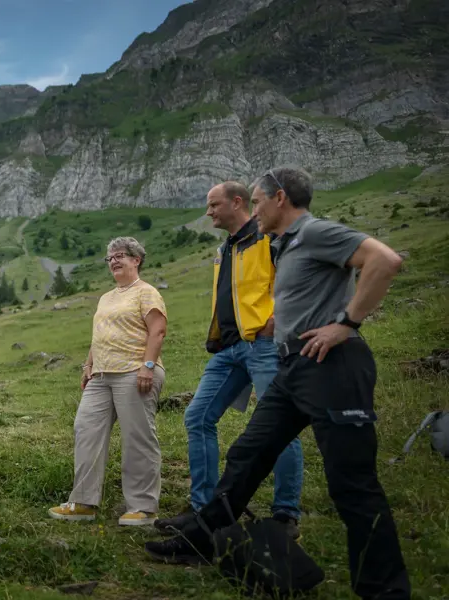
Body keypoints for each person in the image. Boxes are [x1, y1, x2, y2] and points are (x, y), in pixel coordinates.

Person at [145, 167, 410, 599]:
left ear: (279, 198)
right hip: (293, 368)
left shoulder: (315, 232)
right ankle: (201, 538)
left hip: (333, 365)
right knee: (249, 451)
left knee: (352, 484)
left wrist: (345, 324)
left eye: (258, 199)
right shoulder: (281, 245)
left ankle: (384, 590)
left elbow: (385, 260)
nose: (255, 208)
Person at [154, 182, 303, 539]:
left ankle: (285, 514)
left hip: (263, 345)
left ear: (237, 203)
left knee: (279, 425)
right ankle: (204, 508)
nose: (209, 213)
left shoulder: (267, 238)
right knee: (198, 416)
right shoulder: (226, 248)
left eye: (213, 205)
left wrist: (276, 321)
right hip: (229, 350)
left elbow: (293, 282)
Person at [48, 237, 168, 526]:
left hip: (134, 372)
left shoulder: (146, 292)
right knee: (85, 429)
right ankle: (84, 502)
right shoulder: (106, 297)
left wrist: (147, 366)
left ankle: (142, 507)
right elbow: (99, 335)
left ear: (136, 259)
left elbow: (158, 330)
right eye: (110, 258)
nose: (114, 261)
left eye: (120, 256)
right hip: (101, 376)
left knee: (137, 437)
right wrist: (88, 365)